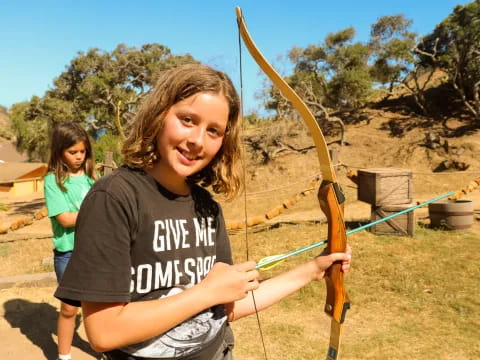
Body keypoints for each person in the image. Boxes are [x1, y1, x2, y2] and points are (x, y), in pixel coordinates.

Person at [54, 64, 352, 360]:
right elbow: (104, 332)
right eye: (187, 119)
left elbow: (226, 303)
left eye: (214, 131)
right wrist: (207, 292)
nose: (197, 140)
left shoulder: (207, 207)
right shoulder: (115, 197)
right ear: (159, 115)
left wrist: (313, 270)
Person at [44, 122, 97, 360]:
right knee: (69, 309)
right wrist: (97, 212)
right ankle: (64, 356)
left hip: (95, 251)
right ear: (59, 152)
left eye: (82, 152)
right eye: (72, 152)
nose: (78, 157)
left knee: (97, 306)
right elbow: (65, 219)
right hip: (68, 254)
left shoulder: (93, 179)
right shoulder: (52, 181)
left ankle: (103, 346)